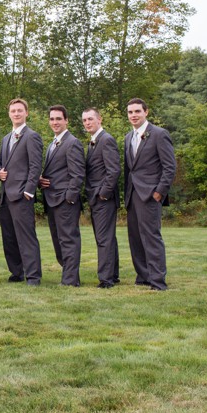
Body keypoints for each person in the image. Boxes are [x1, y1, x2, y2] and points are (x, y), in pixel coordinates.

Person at [124, 98, 176, 291]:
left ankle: (157, 281)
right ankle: (143, 276)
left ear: (146, 112)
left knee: (151, 237)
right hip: (133, 194)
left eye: (137, 111)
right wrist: (126, 195)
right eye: (130, 112)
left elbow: (169, 167)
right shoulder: (128, 137)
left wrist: (159, 192)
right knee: (135, 237)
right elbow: (129, 169)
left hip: (150, 194)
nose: (133, 115)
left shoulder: (159, 134)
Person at [0, 98, 44, 286]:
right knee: (9, 237)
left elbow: (35, 165)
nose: (16, 113)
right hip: (6, 195)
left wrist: (29, 192)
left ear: (26, 113)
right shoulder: (6, 138)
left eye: (19, 111)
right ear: (9, 114)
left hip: (22, 195)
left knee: (26, 237)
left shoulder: (32, 136)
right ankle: (16, 272)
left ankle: (33, 276)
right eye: (13, 111)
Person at [39, 105, 85, 287]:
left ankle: (70, 280)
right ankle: (68, 273)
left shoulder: (72, 142)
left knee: (68, 239)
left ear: (66, 120)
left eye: (58, 118)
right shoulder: (53, 143)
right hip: (52, 200)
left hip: (65, 201)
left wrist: (69, 198)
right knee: (58, 240)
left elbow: (78, 174)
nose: (55, 122)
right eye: (52, 119)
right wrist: (41, 180)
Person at [82, 108, 121, 288]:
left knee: (104, 238)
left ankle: (105, 280)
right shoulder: (93, 142)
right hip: (96, 196)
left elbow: (113, 171)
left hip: (104, 198)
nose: (87, 123)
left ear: (99, 119)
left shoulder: (106, 140)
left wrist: (103, 194)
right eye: (84, 120)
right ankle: (112, 275)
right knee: (106, 238)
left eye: (90, 119)